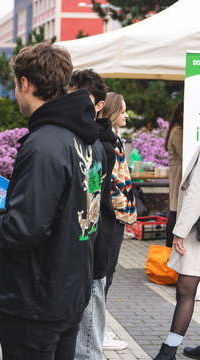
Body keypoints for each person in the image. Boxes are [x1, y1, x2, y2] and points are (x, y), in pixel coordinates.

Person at [0, 43, 106, 359]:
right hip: (70, 292)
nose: (16, 92)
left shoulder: (43, 144)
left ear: (26, 84)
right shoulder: (90, 141)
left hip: (37, 300)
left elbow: (23, 230)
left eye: (16, 84)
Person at [69, 69, 127, 357]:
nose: (73, 102)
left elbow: (92, 198)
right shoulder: (88, 139)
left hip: (92, 246)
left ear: (99, 105)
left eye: (83, 97)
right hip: (84, 246)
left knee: (88, 341)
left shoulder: (99, 145)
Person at [153, 144, 200, 360]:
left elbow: (196, 192)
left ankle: (168, 352)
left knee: (185, 288)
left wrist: (179, 231)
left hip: (195, 230)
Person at [99, 92, 137, 302]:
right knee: (105, 272)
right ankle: (96, 332)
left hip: (118, 214)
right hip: (112, 214)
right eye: (122, 111)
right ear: (112, 112)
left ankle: (99, 329)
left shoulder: (116, 139)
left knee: (109, 272)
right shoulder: (109, 142)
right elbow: (109, 181)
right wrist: (122, 204)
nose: (126, 115)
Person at [165, 102, 184, 248]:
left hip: (177, 171)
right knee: (175, 208)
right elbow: (184, 153)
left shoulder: (177, 129)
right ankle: (168, 248)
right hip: (178, 172)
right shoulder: (178, 131)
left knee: (176, 207)